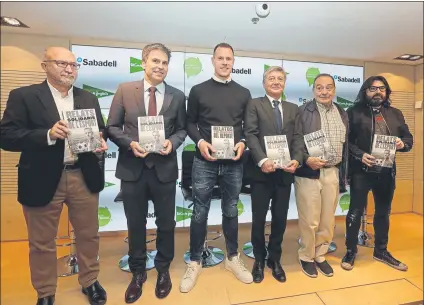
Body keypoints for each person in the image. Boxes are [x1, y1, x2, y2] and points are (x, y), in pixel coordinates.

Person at [0, 47, 108, 305]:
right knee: (41, 242)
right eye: (62, 63)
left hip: (83, 175)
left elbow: (99, 129)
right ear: (45, 65)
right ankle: (45, 292)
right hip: (41, 177)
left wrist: (100, 140)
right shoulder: (23, 96)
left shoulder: (88, 98)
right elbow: (6, 136)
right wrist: (47, 135)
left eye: (73, 65)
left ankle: (90, 281)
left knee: (88, 235)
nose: (69, 69)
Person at [107, 43, 187, 303]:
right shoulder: (124, 90)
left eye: (164, 63)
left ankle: (163, 270)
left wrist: (172, 143)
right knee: (135, 224)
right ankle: (138, 272)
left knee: (166, 224)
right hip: (133, 169)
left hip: (164, 170)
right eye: (155, 61)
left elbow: (182, 130)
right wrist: (129, 144)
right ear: (143, 62)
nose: (159, 66)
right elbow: (112, 127)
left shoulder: (177, 95)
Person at [180, 42, 253, 293]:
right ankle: (195, 261)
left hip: (233, 162)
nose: (224, 62)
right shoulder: (199, 90)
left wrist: (243, 142)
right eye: (220, 58)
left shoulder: (244, 92)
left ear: (234, 61)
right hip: (205, 161)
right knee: (199, 210)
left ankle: (233, 258)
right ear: (213, 60)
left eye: (229, 58)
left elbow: (246, 126)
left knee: (231, 208)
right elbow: (189, 123)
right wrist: (200, 142)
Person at [342, 75, 413, 271]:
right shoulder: (353, 112)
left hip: (386, 172)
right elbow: (346, 142)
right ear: (365, 91)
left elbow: (408, 138)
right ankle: (350, 251)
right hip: (361, 172)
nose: (377, 92)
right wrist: (360, 155)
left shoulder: (396, 113)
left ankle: (381, 250)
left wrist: (402, 144)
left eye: (382, 88)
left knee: (383, 212)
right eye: (373, 88)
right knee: (355, 211)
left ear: (387, 92)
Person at [244, 66, 304, 283]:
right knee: (258, 218)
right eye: (272, 78)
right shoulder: (254, 104)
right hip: (262, 172)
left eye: (280, 78)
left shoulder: (293, 108)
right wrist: (262, 160)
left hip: (285, 174)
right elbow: (250, 134)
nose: (276, 81)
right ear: (264, 83)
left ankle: (274, 259)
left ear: (285, 83)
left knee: (280, 218)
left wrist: (297, 159)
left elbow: (298, 137)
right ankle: (259, 259)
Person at [294, 73, 348, 278]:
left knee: (327, 219)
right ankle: (306, 256)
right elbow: (296, 141)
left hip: (333, 172)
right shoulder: (302, 112)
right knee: (310, 220)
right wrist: (306, 158)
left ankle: (320, 254)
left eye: (328, 87)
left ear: (334, 90)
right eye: (319, 87)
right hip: (309, 173)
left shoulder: (342, 113)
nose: (324, 91)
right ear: (313, 90)